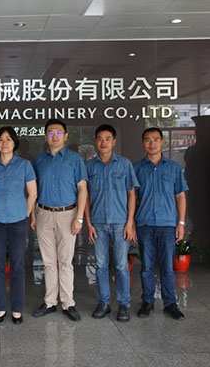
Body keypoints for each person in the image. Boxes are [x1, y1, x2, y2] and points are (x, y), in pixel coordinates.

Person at [31, 119, 88, 322]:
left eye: (58, 133)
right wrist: (33, 214)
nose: (54, 136)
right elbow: (33, 189)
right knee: (48, 262)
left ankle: (67, 303)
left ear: (65, 136)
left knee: (65, 262)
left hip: (68, 214)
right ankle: (49, 302)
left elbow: (82, 189)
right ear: (45, 136)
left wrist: (79, 218)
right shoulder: (39, 160)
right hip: (44, 213)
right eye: (50, 133)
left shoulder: (74, 159)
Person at [0, 127, 37, 325]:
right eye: (1, 140)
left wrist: (25, 214)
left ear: (14, 143)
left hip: (18, 222)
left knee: (18, 265)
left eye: (8, 139)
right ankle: (0, 307)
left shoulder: (24, 165)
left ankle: (17, 309)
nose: (4, 143)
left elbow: (32, 193)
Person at [84, 124, 138, 322]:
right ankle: (104, 302)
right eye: (100, 139)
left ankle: (124, 304)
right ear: (95, 142)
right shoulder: (89, 166)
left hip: (120, 223)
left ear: (114, 142)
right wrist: (88, 224)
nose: (103, 142)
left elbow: (131, 194)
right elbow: (85, 197)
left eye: (107, 139)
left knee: (122, 265)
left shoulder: (124, 164)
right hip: (97, 223)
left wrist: (130, 222)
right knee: (100, 265)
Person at [133, 127, 188, 321]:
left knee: (167, 268)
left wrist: (181, 223)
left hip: (167, 224)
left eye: (155, 139)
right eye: (148, 140)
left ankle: (170, 303)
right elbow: (132, 198)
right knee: (147, 267)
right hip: (145, 224)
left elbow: (180, 196)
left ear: (162, 142)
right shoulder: (137, 168)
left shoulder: (173, 168)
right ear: (143, 143)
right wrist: (131, 223)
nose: (152, 143)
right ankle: (147, 302)